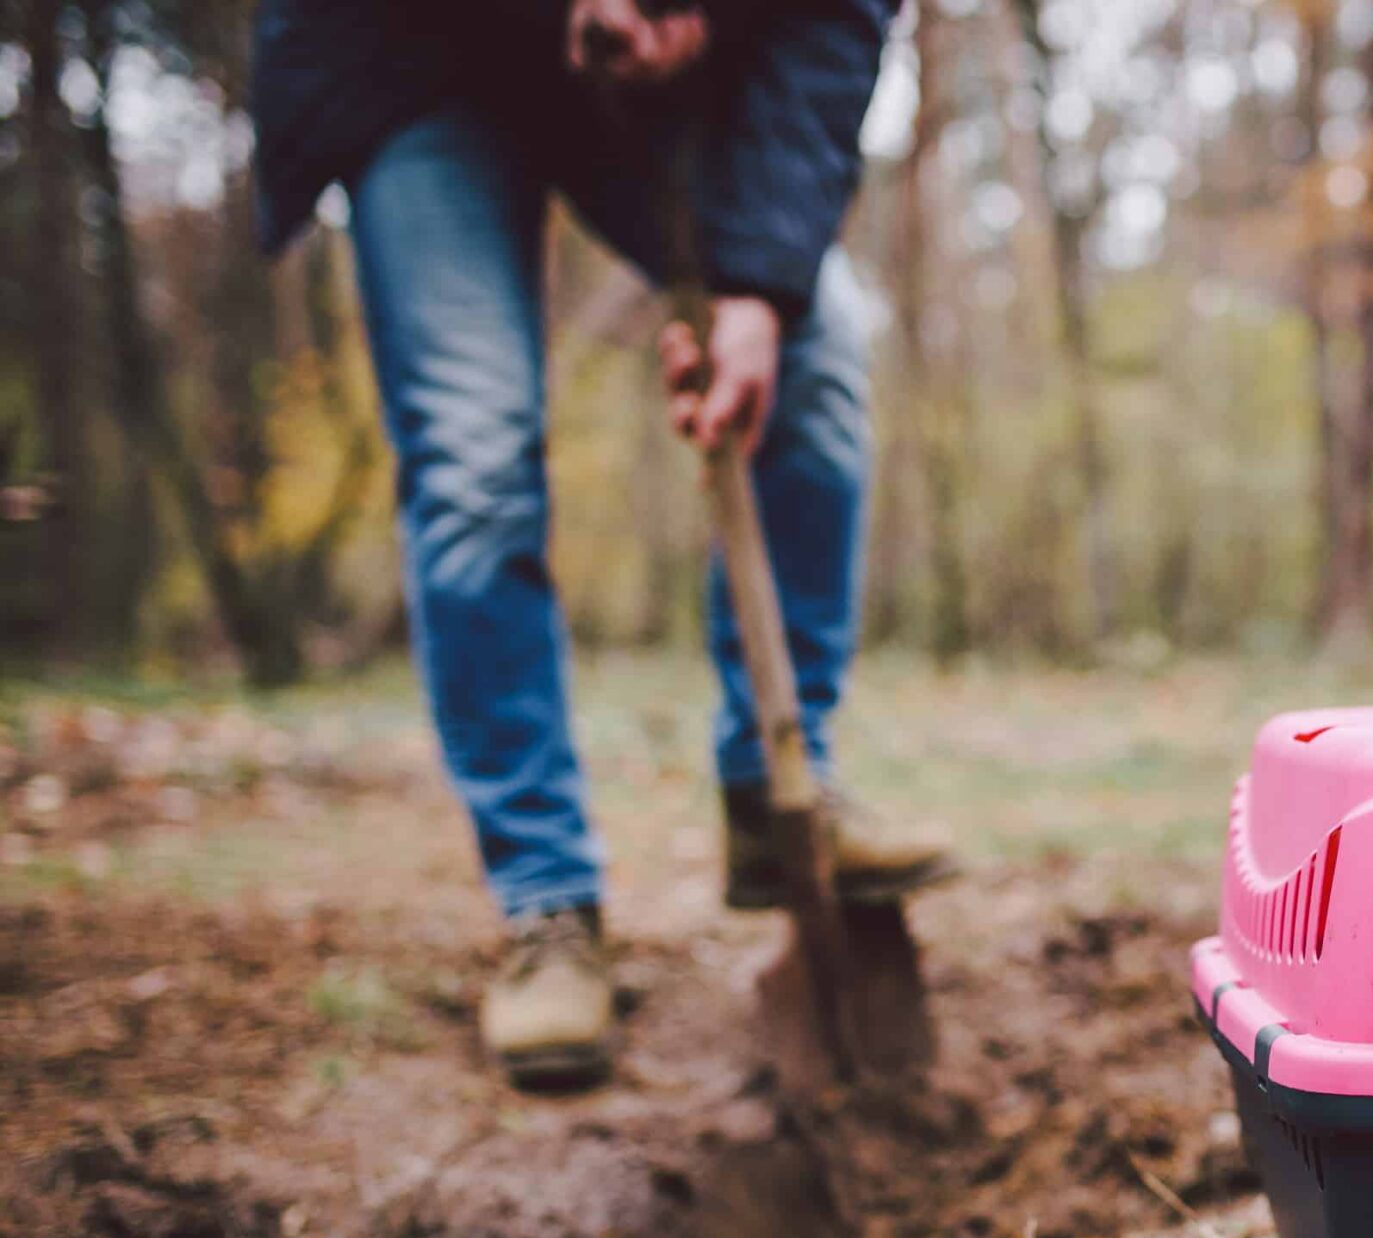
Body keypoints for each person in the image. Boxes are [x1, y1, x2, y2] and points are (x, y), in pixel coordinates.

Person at [252, 0, 950, 1089]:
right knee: (475, 460)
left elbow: (833, 25)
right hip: (404, 60)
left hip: (658, 68)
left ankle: (780, 797)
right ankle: (547, 905)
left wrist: (757, 290)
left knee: (816, 349)